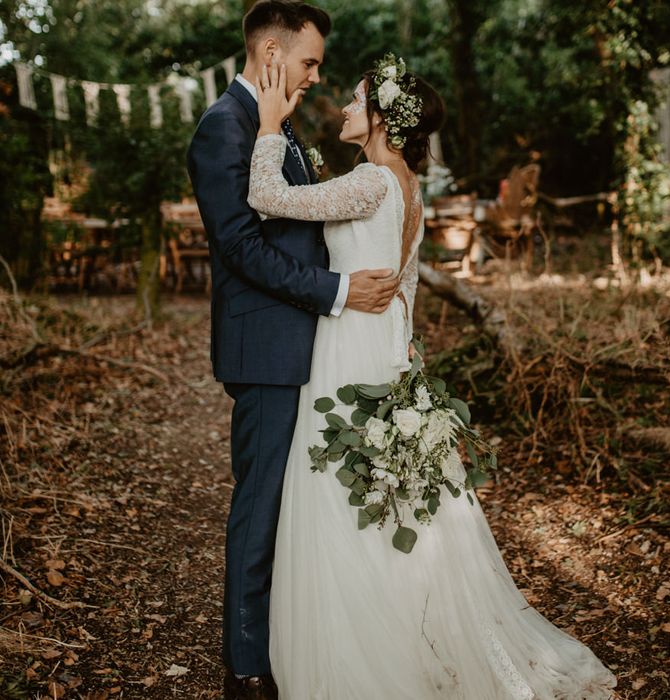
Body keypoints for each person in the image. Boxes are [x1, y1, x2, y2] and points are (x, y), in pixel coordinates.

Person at [247, 53, 619, 699]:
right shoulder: (405, 182)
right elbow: (407, 285)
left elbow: (264, 198)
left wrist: (269, 126)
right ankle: (395, 632)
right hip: (381, 349)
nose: (342, 107)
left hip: (347, 353)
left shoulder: (370, 181)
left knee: (344, 497)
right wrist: (404, 353)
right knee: (380, 495)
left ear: (384, 118)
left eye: (356, 100)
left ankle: (368, 654)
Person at [186, 2, 399, 699]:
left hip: (304, 347)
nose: (316, 76)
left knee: (291, 510)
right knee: (260, 510)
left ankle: (284, 648)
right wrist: (338, 291)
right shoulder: (223, 128)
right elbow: (243, 249)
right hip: (266, 349)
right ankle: (246, 671)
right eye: (309, 61)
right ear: (271, 54)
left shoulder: (279, 129)